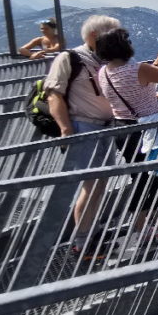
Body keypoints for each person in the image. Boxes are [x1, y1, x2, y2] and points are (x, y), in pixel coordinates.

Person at [95, 27, 158, 262]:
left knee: (141, 178)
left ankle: (149, 227)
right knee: (155, 180)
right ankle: (154, 229)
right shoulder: (138, 69)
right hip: (148, 132)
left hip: (122, 130)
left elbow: (133, 88)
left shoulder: (103, 73)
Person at [42, 14, 121, 258]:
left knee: (99, 185)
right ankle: (83, 243)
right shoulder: (69, 58)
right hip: (84, 128)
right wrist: (66, 131)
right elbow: (53, 94)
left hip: (104, 128)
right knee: (91, 185)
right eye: (113, 34)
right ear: (95, 36)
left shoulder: (105, 59)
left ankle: (90, 234)